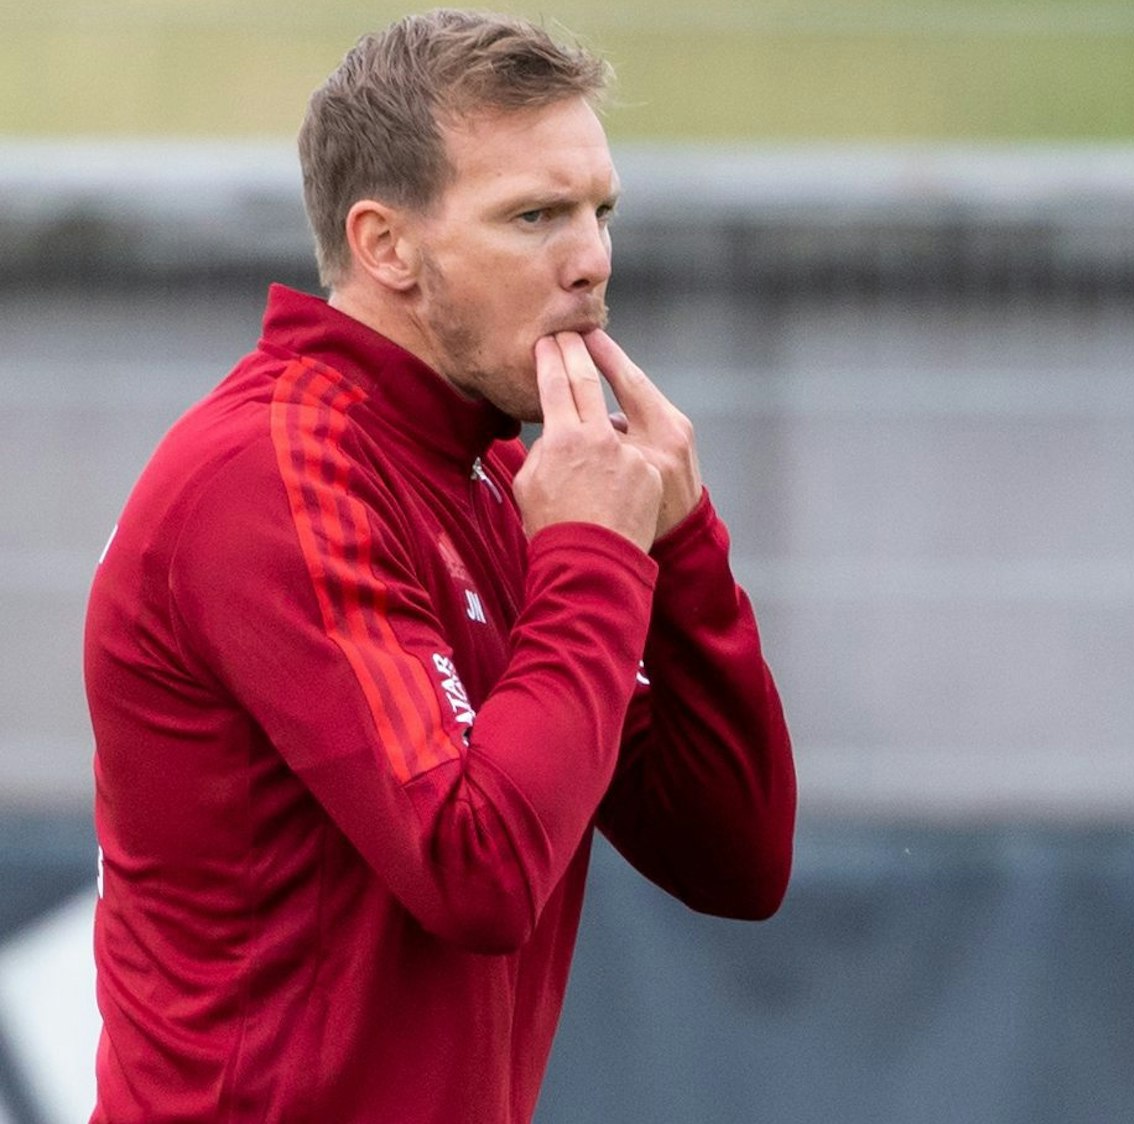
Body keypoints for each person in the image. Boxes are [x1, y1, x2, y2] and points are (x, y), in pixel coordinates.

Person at [81, 9, 797, 1121]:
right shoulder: (272, 474)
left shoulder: (499, 482)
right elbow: (478, 873)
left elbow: (734, 856)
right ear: (386, 246)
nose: (591, 260)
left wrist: (681, 545)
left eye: (600, 210)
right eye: (534, 217)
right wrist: (595, 554)